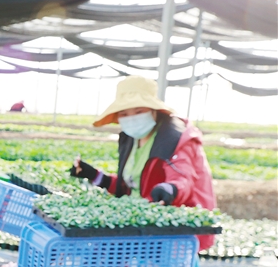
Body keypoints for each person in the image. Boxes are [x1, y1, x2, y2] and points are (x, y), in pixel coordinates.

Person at [70, 75, 217, 252]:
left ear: (154, 110)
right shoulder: (131, 140)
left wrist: (170, 190)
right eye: (124, 114)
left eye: (139, 111)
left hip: (171, 234)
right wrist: (94, 175)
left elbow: (183, 180)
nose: (131, 118)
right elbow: (131, 186)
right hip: (139, 226)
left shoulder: (176, 138)